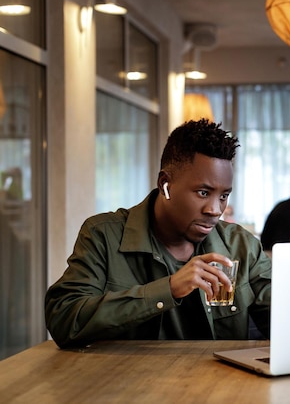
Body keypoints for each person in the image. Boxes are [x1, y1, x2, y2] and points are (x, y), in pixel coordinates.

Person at [45, 119, 271, 348]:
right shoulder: (103, 235)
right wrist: (168, 289)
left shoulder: (241, 246)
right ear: (165, 184)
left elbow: (284, 318)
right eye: (203, 192)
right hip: (130, 380)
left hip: (220, 383)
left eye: (223, 196)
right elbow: (64, 320)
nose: (215, 209)